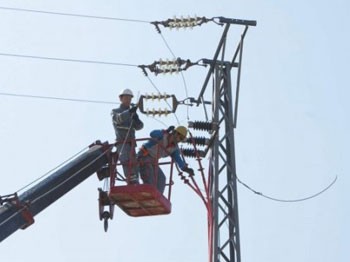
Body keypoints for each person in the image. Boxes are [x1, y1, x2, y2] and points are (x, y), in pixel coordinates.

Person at [137, 125, 194, 193]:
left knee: (162, 179)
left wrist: (185, 168)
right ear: (175, 133)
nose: (180, 140)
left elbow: (178, 159)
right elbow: (152, 133)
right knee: (150, 176)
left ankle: (157, 197)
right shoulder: (163, 135)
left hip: (153, 161)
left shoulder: (174, 149)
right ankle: (148, 193)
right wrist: (166, 131)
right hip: (144, 156)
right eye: (180, 137)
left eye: (182, 139)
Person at [111, 88, 144, 184]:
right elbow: (118, 119)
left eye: (130, 98)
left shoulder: (132, 112)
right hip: (122, 143)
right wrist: (129, 113)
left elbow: (140, 126)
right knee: (126, 162)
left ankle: (135, 184)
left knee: (134, 165)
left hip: (131, 144)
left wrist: (136, 119)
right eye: (126, 98)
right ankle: (131, 183)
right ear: (121, 98)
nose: (129, 100)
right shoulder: (115, 111)